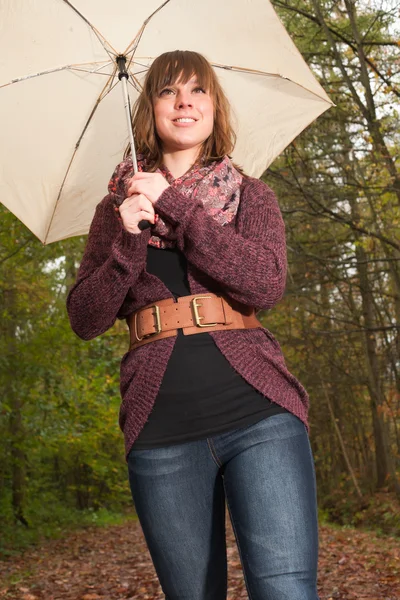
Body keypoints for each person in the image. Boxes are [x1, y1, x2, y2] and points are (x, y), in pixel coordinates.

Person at [67, 50, 320, 600]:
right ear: (150, 111)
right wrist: (126, 244)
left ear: (213, 107)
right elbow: (85, 319)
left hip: (261, 416)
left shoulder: (252, 196)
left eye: (197, 90)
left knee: (286, 590)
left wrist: (176, 206)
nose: (184, 101)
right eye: (168, 91)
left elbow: (264, 284)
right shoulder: (114, 213)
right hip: (162, 432)